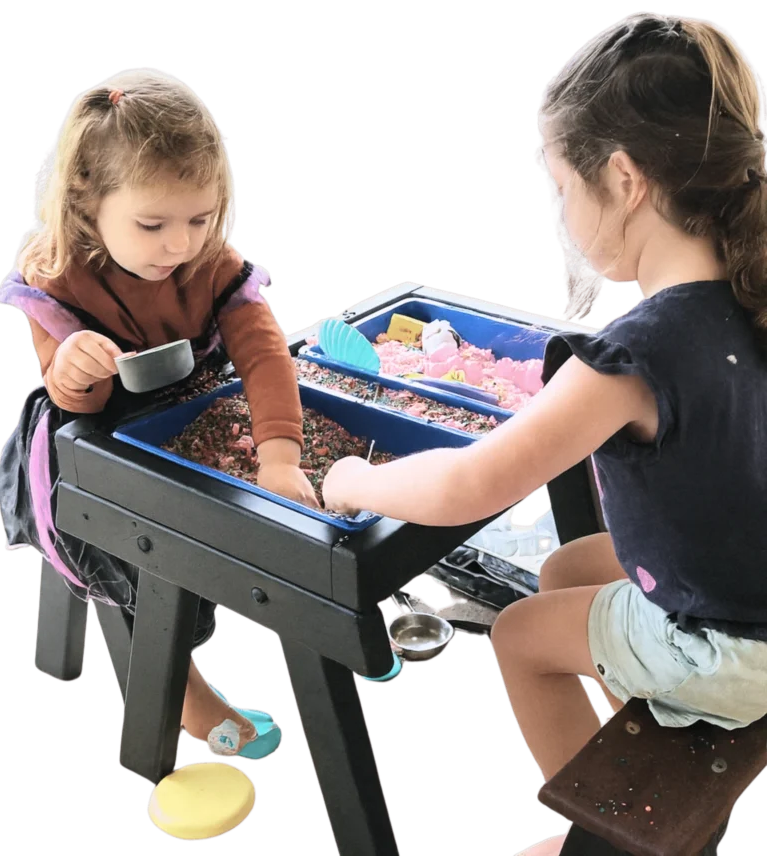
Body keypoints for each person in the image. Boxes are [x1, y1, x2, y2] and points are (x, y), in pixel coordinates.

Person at [323, 14, 766, 849]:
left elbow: (468, 487)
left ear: (626, 178)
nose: (561, 209)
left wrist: (349, 478)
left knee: (523, 636)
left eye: (565, 186)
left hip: (737, 652)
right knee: (565, 567)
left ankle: (597, 832)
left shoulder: (634, 356)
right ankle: (633, 729)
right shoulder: (746, 288)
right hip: (751, 593)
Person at [1, 69, 319, 761]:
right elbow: (66, 399)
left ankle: (318, 626)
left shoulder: (210, 265)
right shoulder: (57, 274)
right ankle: (178, 688)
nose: (180, 244)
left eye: (200, 220)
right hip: (91, 432)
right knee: (136, 543)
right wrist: (78, 369)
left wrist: (281, 456)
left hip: (186, 407)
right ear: (89, 206)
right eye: (153, 225)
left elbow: (264, 356)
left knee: (253, 511)